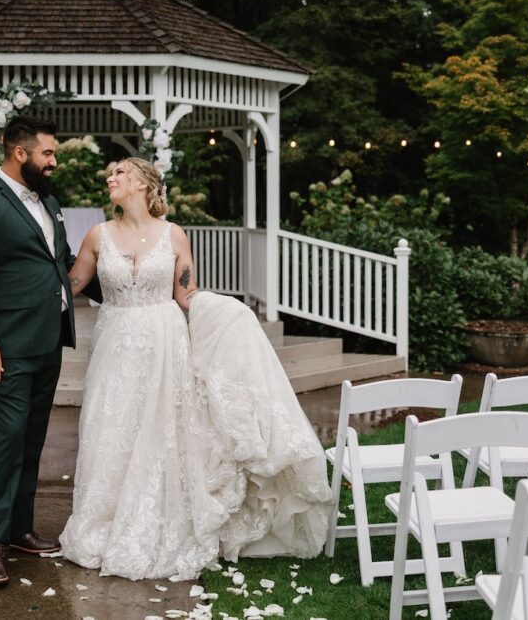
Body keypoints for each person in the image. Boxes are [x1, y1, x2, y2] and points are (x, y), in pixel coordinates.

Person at [59, 156, 333, 581]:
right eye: (109, 174)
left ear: (143, 184)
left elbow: (187, 296)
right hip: (115, 345)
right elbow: (70, 286)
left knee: (163, 432)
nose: (110, 179)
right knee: (109, 429)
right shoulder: (98, 235)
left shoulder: (174, 235)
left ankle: (162, 522)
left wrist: (229, 312)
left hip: (166, 342)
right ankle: (103, 523)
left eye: (120, 173)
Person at [0, 115, 98, 587]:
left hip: (48, 341)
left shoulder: (49, 203)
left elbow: (61, 264)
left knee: (32, 441)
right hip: (7, 347)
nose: (54, 161)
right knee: (3, 442)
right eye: (48, 153)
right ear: (21, 154)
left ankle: (19, 529)